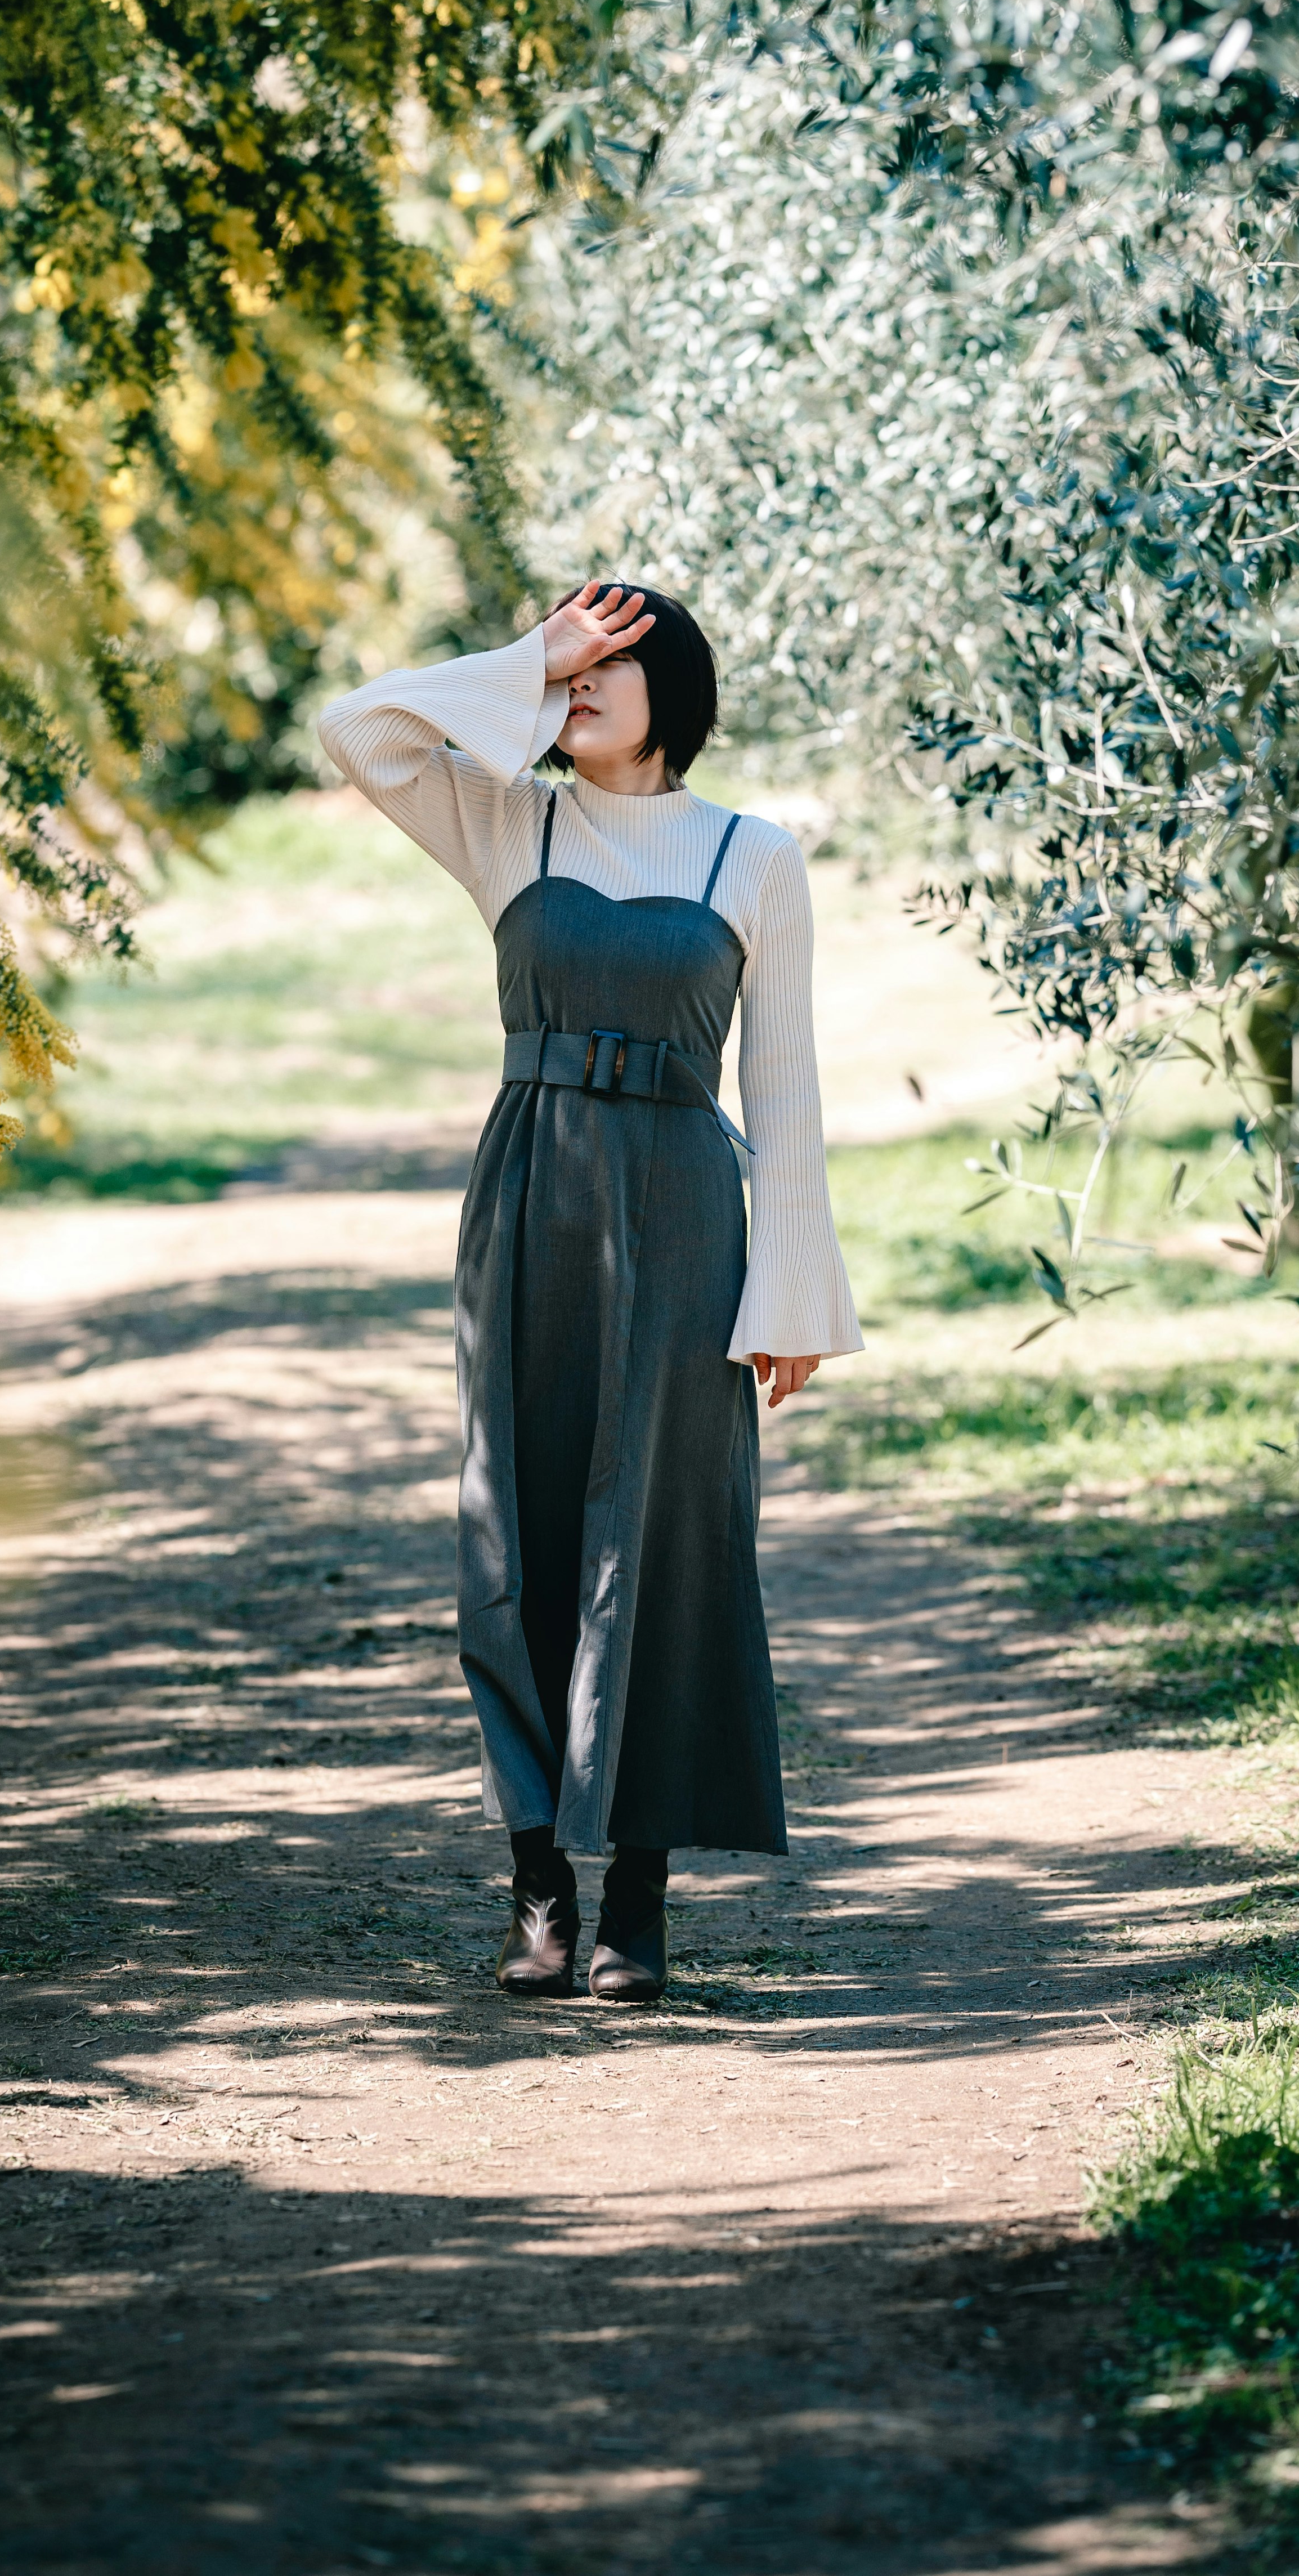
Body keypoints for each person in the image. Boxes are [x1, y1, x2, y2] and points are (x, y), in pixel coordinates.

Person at [318, 581, 861, 2001]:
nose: (582, 680)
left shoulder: (756, 856)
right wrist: (525, 664)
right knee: (520, 1525)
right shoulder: (512, 822)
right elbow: (358, 730)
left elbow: (786, 1088)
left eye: (611, 654)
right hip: (531, 1198)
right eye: (571, 657)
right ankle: (539, 1887)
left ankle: (639, 1898)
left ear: (674, 681)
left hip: (688, 1211)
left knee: (664, 1536)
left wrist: (795, 1290)